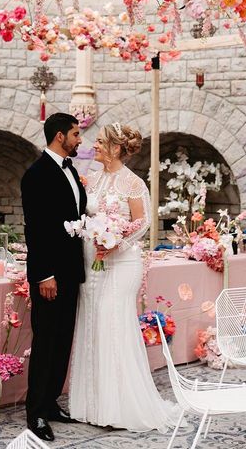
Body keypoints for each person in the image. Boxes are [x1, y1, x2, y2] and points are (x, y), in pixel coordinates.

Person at [69, 122, 181, 432]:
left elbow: (143, 224)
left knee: (113, 324)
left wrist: (118, 242)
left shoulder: (133, 184)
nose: (97, 146)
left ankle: (120, 406)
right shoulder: (90, 179)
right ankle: (92, 405)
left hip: (122, 263)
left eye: (103, 142)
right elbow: (85, 216)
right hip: (92, 262)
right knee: (93, 326)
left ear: (117, 148)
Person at [21, 113, 87, 441]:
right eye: (76, 134)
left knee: (62, 341)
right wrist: (44, 275)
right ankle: (35, 415)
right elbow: (36, 229)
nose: (80, 140)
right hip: (49, 275)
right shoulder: (36, 175)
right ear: (60, 136)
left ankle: (50, 404)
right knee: (45, 342)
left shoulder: (71, 169)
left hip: (71, 272)